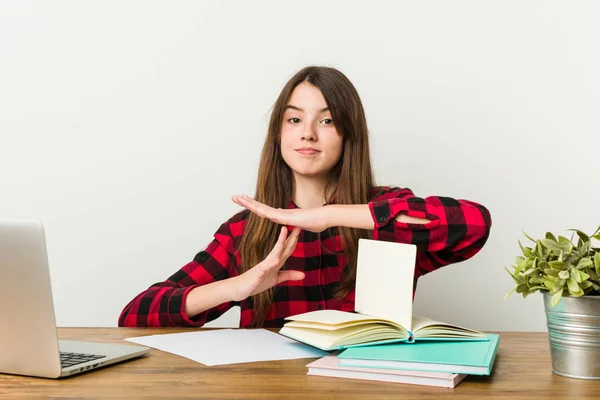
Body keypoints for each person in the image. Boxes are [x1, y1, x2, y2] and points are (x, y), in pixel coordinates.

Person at [118, 66, 492, 328]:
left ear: (349, 135)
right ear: (278, 134)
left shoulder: (383, 213)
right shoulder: (246, 232)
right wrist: (237, 287)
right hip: (274, 388)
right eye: (294, 120)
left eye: (327, 121)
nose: (308, 134)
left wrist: (332, 216)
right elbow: (134, 314)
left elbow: (475, 224)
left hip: (368, 386)